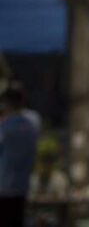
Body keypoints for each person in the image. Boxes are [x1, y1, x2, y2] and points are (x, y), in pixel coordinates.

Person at [0, 81, 41, 227]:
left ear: (6, 103)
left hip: (3, 189)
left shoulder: (4, 127)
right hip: (22, 188)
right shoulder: (33, 124)